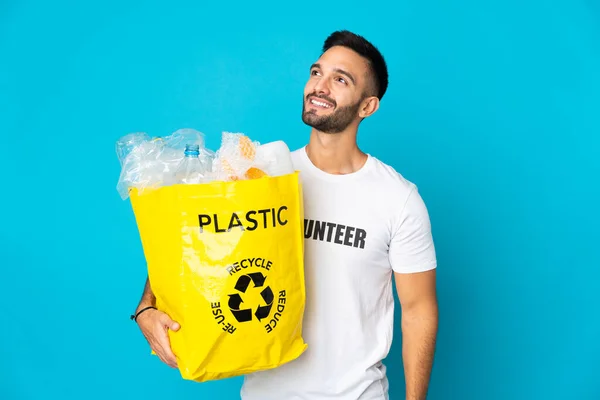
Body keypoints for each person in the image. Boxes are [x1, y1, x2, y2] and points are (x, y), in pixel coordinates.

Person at [132, 30, 439, 400]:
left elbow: (419, 309)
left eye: (340, 79)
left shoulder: (398, 199)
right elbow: (196, 251)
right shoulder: (262, 178)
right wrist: (146, 306)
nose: (320, 86)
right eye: (316, 72)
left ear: (367, 106)